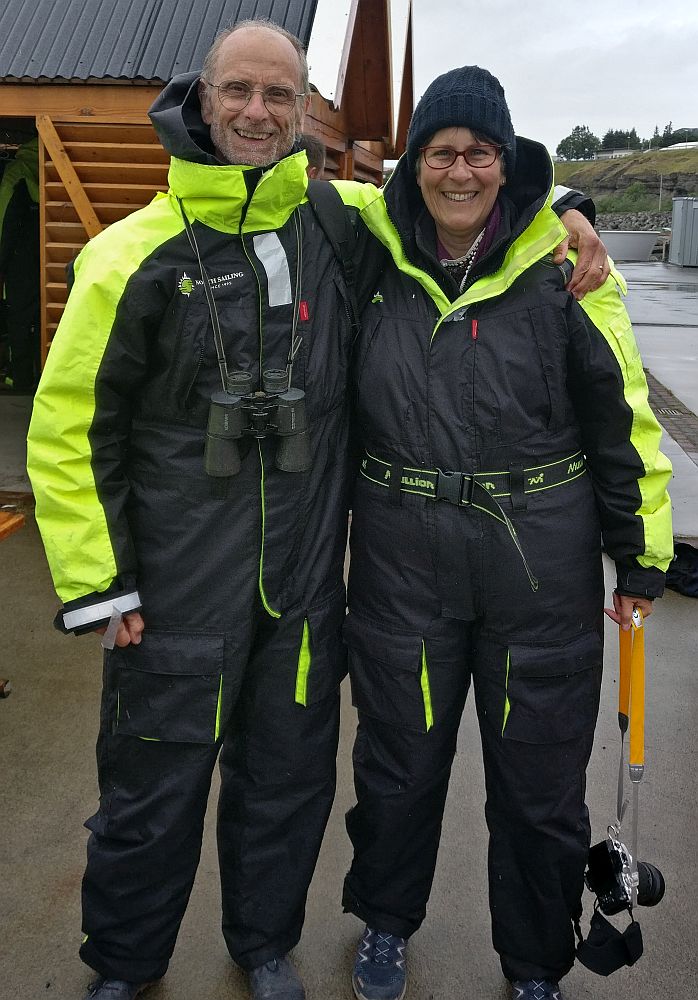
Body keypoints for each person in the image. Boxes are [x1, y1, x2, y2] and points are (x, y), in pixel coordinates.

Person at [27, 17, 606, 1000]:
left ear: (302, 112)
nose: (257, 113)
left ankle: (262, 943)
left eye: (277, 96)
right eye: (238, 93)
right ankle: (124, 967)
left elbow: (455, 200)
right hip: (172, 591)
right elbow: (68, 427)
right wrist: (98, 582)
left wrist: (564, 202)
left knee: (286, 785)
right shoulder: (130, 255)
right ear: (203, 99)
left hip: (300, 588)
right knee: (151, 794)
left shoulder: (340, 220)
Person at [336, 67, 673, 1000]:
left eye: (478, 153)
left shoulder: (565, 264)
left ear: (506, 162)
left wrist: (641, 554)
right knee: (398, 766)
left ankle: (535, 965)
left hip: (541, 563)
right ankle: (385, 921)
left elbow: (624, 414)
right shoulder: (369, 240)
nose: (458, 172)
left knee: (538, 787)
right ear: (415, 163)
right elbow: (288, 179)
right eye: (440, 151)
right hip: (405, 555)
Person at [0, 137, 40, 393]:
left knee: (19, 317)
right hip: (55, 249)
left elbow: (5, 219)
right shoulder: (52, 165)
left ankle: (19, 377)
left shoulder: (17, 171)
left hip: (20, 258)